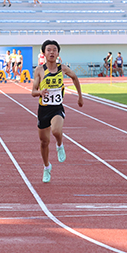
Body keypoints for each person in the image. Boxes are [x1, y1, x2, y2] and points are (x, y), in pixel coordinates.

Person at [32, 40, 84, 183]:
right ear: (44, 53)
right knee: (44, 142)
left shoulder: (63, 68)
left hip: (57, 108)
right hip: (43, 109)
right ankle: (47, 167)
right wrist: (40, 92)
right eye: (49, 50)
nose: (52, 52)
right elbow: (33, 91)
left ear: (58, 53)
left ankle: (60, 144)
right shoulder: (39, 70)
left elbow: (74, 78)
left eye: (54, 50)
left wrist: (80, 96)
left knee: (56, 130)